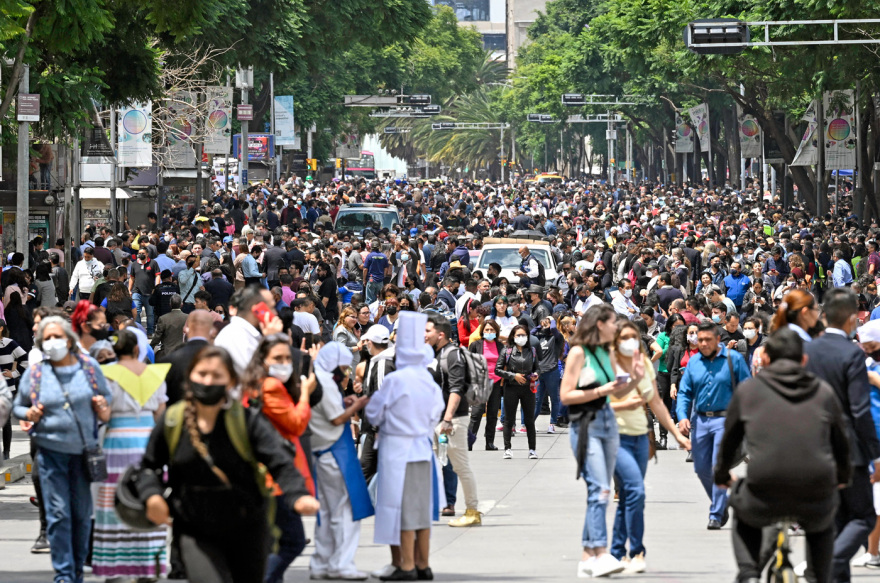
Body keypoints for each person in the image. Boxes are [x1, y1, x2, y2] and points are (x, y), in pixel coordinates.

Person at [136, 346, 319, 583]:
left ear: (231, 381)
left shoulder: (247, 421)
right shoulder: (173, 421)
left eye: (217, 375)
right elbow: (148, 466)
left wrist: (297, 495)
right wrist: (151, 495)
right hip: (194, 530)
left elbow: (280, 461)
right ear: (189, 376)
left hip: (247, 529)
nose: (208, 381)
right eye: (202, 374)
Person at [714, 328, 851, 583]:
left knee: (741, 506)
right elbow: (841, 443)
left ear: (765, 358)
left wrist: (721, 474)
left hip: (764, 491)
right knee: (823, 524)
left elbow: (729, 442)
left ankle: (749, 574)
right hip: (815, 493)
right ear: (804, 360)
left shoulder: (749, 391)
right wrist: (843, 477)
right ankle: (818, 576)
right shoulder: (824, 392)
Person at [13, 316, 112, 583]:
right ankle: (65, 575)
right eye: (47, 338)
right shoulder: (36, 373)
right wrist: (29, 413)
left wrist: (103, 406)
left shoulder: (89, 367)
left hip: (83, 454)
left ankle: (76, 569)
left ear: (69, 340)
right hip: (50, 454)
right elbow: (18, 406)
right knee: (59, 515)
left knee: (80, 515)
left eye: (57, 336)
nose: (53, 342)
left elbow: (106, 398)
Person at [560, 304, 644, 579]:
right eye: (613, 323)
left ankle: (588, 557)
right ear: (599, 324)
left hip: (608, 422)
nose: (616, 328)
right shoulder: (579, 352)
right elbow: (565, 395)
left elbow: (615, 392)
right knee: (601, 490)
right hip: (587, 424)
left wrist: (635, 378)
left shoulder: (606, 352)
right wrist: (600, 390)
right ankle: (600, 552)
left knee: (600, 490)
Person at [803, 288, 880, 582]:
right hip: (848, 452)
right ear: (851, 319)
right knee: (863, 517)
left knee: (834, 521)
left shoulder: (808, 351)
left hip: (813, 448)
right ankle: (825, 562)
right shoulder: (852, 354)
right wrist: (876, 455)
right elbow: (860, 410)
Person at [364, 312, 445, 582]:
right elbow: (436, 413)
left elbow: (374, 413)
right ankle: (423, 564)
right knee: (421, 511)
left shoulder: (394, 380)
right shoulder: (428, 382)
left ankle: (407, 565)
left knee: (403, 511)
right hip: (422, 449)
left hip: (398, 452)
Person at [608, 320, 691, 573]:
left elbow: (655, 402)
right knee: (636, 491)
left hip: (641, 437)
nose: (629, 343)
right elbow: (593, 404)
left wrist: (676, 435)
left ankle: (618, 552)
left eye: (633, 338)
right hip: (615, 438)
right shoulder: (605, 365)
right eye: (624, 338)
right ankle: (636, 551)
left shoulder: (643, 364)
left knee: (629, 495)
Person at [91, 329, 169, 580]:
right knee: (145, 498)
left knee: (114, 500)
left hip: (117, 442)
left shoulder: (106, 373)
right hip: (147, 442)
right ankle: (148, 564)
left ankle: (116, 567)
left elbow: (104, 415)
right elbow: (161, 414)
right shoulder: (155, 374)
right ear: (137, 349)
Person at [241, 334, 317, 583]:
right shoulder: (270, 386)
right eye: (278, 358)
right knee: (293, 542)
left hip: (267, 473)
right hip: (277, 476)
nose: (284, 363)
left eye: (287, 358)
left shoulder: (256, 383)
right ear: (263, 359)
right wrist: (305, 394)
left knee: (273, 543)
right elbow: (296, 423)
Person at [676, 321, 752, 530]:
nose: (703, 343)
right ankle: (723, 503)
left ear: (718, 340)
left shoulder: (733, 359)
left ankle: (716, 513)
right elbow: (684, 392)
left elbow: (748, 390)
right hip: (700, 421)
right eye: (700, 340)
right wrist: (682, 416)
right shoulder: (694, 362)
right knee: (701, 468)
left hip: (725, 421)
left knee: (719, 465)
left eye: (708, 340)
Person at [308, 342, 373, 581]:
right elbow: (336, 419)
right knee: (345, 510)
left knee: (326, 512)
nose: (345, 373)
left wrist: (345, 404)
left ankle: (322, 562)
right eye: (343, 368)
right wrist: (357, 405)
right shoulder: (326, 383)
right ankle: (341, 563)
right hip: (334, 452)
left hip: (321, 451)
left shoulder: (317, 379)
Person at [425, 312, 481, 527]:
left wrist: (447, 419)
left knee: (460, 466)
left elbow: (457, 388)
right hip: (436, 420)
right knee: (432, 464)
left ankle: (472, 511)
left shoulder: (453, 354)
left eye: (427, 331)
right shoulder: (434, 354)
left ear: (440, 334)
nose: (424, 335)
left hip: (453, 420)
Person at [494, 324, 538, 459]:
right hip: (511, 388)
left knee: (529, 421)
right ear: (513, 336)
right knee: (509, 420)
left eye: (523, 335)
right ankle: (507, 449)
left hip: (528, 388)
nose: (521, 337)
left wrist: (536, 375)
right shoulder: (507, 351)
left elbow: (537, 368)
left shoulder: (532, 351)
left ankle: (532, 450)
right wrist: (513, 376)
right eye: (518, 335)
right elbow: (497, 369)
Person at [468, 319, 503, 451]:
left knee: (493, 413)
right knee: (477, 413)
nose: (489, 332)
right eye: (487, 330)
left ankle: (489, 442)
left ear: (496, 331)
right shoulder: (476, 345)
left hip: (496, 382)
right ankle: (469, 441)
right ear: (482, 331)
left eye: (492, 330)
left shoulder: (500, 346)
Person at [0, 318, 27, 459]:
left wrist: (14, 374)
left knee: (6, 422)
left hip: (7, 388)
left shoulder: (10, 344)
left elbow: (26, 360)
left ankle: (6, 452)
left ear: (1, 329)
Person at [534, 314, 565, 434]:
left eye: (546, 325)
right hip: (539, 372)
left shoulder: (557, 337)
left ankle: (552, 423)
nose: (545, 327)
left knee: (554, 399)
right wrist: (539, 326)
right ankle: (530, 423)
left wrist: (551, 320)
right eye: (543, 325)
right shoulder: (540, 337)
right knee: (537, 400)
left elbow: (553, 329)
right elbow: (530, 334)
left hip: (552, 371)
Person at [151, 293, 188, 358]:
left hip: (167, 353)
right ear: (181, 304)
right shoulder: (188, 317)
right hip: (184, 352)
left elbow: (157, 337)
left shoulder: (163, 319)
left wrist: (151, 346)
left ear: (170, 304)